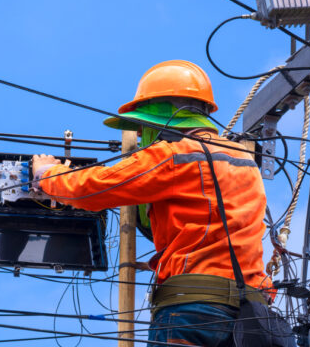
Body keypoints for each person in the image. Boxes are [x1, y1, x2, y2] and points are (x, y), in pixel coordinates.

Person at [32, 60, 275, 346]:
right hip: (252, 317)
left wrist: (47, 175)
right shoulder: (244, 160)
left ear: (160, 120)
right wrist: (160, 262)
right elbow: (215, 227)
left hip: (192, 311)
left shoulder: (174, 155)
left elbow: (96, 186)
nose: (138, 137)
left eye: (140, 127)